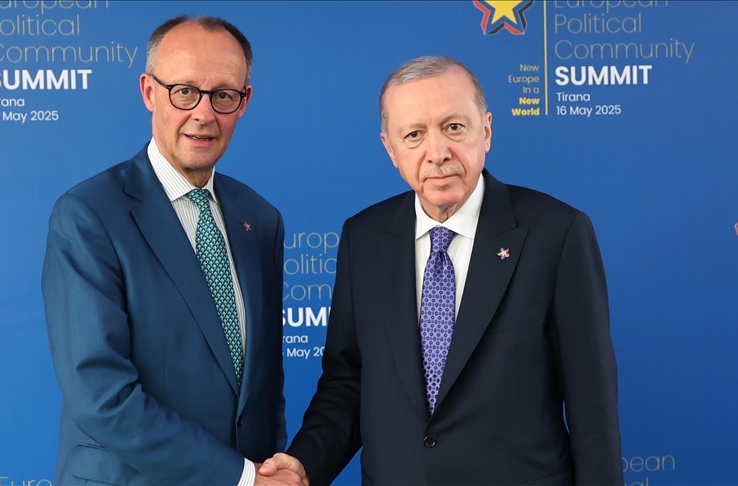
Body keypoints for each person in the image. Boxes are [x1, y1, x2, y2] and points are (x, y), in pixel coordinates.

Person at [260, 56, 623, 485]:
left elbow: (591, 404)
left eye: (453, 127)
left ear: (486, 130)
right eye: (414, 134)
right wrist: (305, 464)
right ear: (390, 149)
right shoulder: (364, 237)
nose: (437, 153)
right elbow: (348, 382)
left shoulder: (557, 233)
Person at [42, 16, 300, 486]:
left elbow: (263, 388)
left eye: (223, 95)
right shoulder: (89, 215)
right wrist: (241, 477)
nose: (203, 113)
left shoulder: (261, 220)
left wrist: (268, 471)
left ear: (244, 102)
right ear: (149, 92)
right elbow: (102, 396)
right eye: (184, 91)